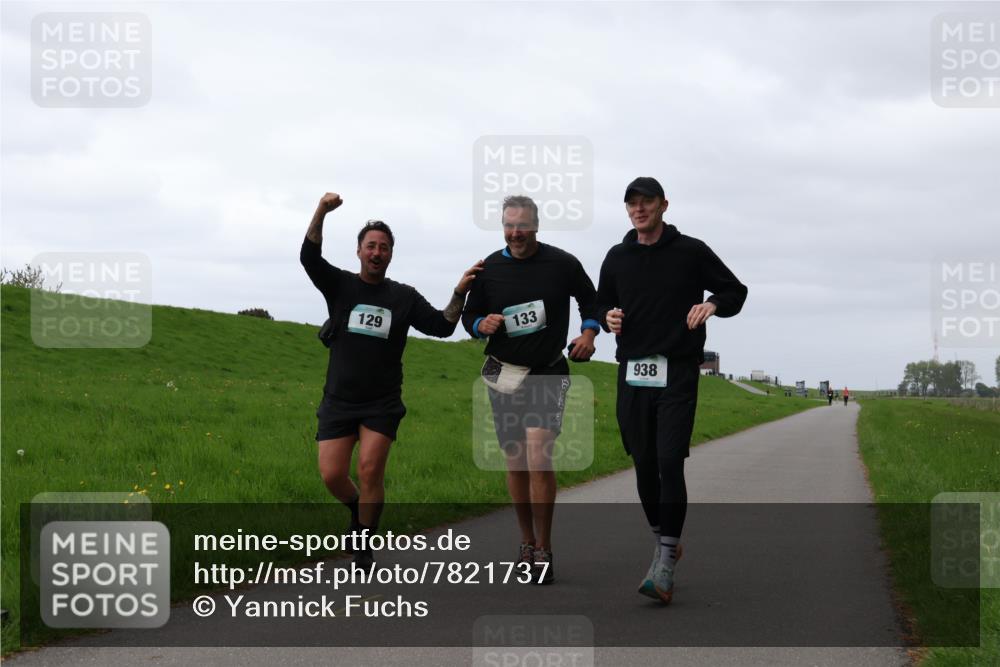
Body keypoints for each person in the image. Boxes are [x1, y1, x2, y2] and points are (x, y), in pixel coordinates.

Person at [301, 191, 481, 568]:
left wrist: (460, 291)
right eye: (370, 246)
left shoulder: (403, 297)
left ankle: (364, 539)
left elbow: (442, 326)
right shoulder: (341, 286)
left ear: (391, 254)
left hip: (381, 402)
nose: (377, 252)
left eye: (384, 247)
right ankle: (357, 511)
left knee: (369, 468)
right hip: (339, 399)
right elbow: (309, 257)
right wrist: (321, 210)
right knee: (333, 475)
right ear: (359, 251)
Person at [596, 177, 747, 604]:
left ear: (664, 205)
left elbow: (736, 290)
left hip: (678, 370)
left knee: (668, 460)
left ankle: (664, 564)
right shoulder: (617, 256)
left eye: (646, 202)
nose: (638, 210)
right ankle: (666, 539)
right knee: (642, 463)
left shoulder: (691, 251)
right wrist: (607, 317)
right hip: (632, 372)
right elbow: (599, 301)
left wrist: (713, 304)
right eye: (631, 204)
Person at [462, 195, 599, 585]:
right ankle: (525, 541)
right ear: (502, 226)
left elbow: (590, 299)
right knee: (516, 459)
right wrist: (478, 326)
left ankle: (545, 546)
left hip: (547, 371)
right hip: (503, 373)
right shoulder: (489, 269)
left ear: (536, 226)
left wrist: (589, 332)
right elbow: (470, 316)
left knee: (539, 455)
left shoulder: (563, 263)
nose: (515, 233)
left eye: (522, 225)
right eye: (509, 225)